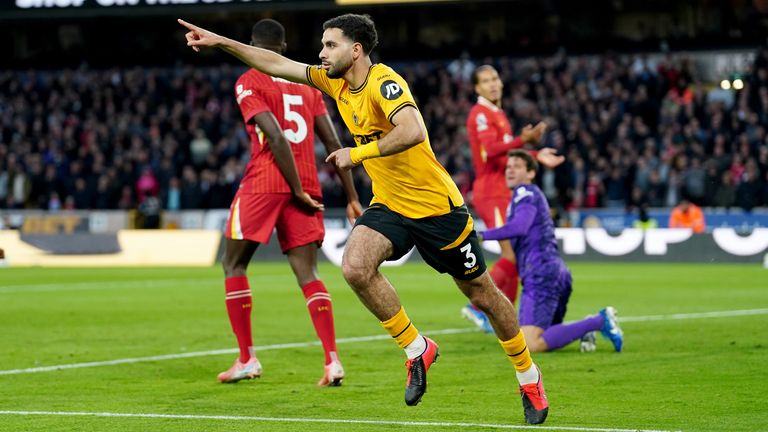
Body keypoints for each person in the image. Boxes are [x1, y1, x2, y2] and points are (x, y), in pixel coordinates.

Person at [179, 14, 548, 424]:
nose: (321, 53)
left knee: (482, 295)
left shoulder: (384, 82)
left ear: (356, 50)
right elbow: (276, 64)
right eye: (322, 45)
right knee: (355, 267)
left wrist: (356, 155)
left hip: (436, 208)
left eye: (330, 45)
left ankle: (528, 376)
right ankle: (416, 349)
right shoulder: (333, 80)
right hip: (390, 203)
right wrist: (220, 42)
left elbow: (412, 130)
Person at [215, 19, 362, 387]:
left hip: (267, 182)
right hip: (309, 183)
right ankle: (332, 361)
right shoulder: (307, 86)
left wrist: (293, 188)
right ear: (282, 49)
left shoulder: (249, 80)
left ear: (253, 47)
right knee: (308, 275)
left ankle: (247, 358)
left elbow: (276, 137)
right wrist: (352, 197)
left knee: (233, 264)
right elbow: (333, 144)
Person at [479, 150, 624, 354]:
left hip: (541, 274)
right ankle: (584, 329)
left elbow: (519, 227)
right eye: (508, 167)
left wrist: (480, 235)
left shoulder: (525, 193)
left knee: (531, 344)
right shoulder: (527, 196)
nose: (510, 170)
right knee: (546, 334)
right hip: (554, 272)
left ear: (531, 173)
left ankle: (599, 321)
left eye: (517, 166)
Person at [462, 64, 564, 333]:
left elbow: (507, 156)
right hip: (492, 192)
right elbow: (493, 150)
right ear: (477, 88)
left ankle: (506, 319)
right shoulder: (480, 113)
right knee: (511, 255)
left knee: (517, 257)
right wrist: (523, 139)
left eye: (495, 78)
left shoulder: (498, 114)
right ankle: (475, 306)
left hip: (504, 191)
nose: (493, 84)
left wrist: (534, 154)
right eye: (485, 81)